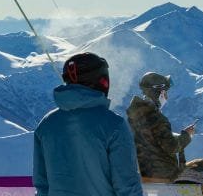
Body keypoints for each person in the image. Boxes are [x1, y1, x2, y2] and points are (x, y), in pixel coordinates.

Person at [32, 52, 142, 196]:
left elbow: (42, 185)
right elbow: (127, 186)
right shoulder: (114, 124)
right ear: (102, 82)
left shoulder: (46, 125)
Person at [127, 72, 194, 182]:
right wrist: (186, 136)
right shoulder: (156, 118)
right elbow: (171, 147)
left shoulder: (136, 115)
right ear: (158, 93)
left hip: (144, 174)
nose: (166, 97)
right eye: (165, 92)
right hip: (162, 177)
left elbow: (152, 141)